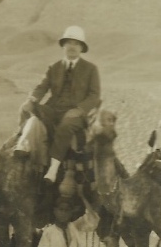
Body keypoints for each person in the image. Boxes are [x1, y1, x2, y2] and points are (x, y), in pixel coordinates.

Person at [14, 26, 102, 182]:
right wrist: (32, 99)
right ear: (64, 46)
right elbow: (42, 87)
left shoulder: (90, 69)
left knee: (66, 126)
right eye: (69, 42)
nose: (72, 47)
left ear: (81, 48)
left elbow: (94, 95)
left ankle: (52, 170)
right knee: (30, 113)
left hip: (75, 114)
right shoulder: (54, 68)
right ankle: (22, 145)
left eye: (76, 43)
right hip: (53, 109)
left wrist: (79, 109)